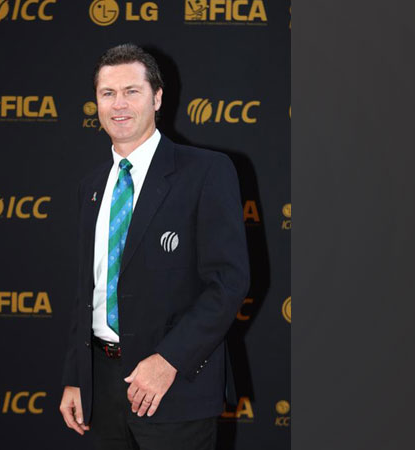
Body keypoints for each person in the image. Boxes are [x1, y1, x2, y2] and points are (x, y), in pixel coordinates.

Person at [59, 43, 249, 450]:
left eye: (132, 91)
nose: (119, 104)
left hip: (173, 385)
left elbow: (228, 283)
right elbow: (88, 290)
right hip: (101, 390)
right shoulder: (91, 187)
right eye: (108, 93)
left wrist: (169, 360)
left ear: (157, 98)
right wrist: (76, 376)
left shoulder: (206, 171)